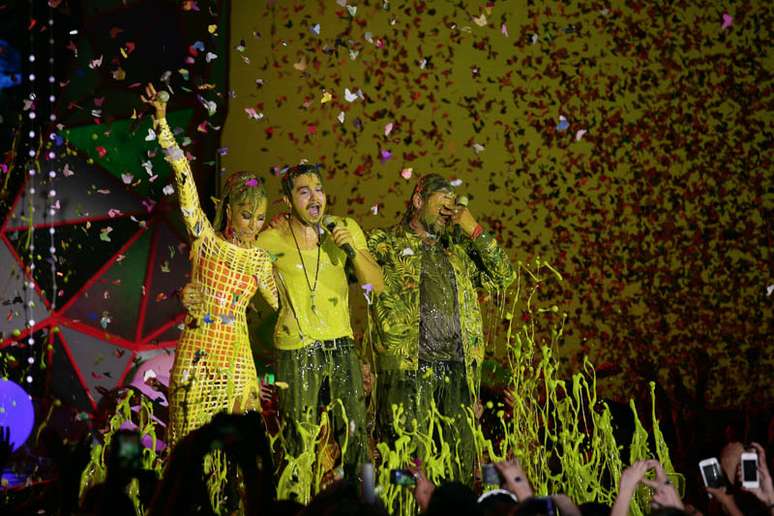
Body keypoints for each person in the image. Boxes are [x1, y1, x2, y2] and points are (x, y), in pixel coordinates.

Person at [141, 84, 278, 448]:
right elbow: (183, 177)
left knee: (242, 446)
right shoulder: (205, 238)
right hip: (199, 349)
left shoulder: (260, 259)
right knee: (188, 442)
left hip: (237, 356)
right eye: (247, 214)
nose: (253, 224)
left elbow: (284, 307)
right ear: (229, 210)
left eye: (260, 217)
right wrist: (162, 121)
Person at [367, 173, 515, 483]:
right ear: (418, 201)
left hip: (458, 370)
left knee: (458, 463)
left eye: (453, 205)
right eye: (442, 204)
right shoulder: (386, 243)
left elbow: (504, 276)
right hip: (409, 369)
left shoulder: (458, 252)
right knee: (406, 464)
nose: (449, 211)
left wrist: (473, 228)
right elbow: (346, 260)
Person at [255, 164, 383, 477]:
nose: (315, 197)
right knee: (298, 442)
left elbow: (377, 285)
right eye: (303, 191)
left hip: (340, 345)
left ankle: (363, 506)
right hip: (296, 350)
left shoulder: (345, 229)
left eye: (319, 190)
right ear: (287, 200)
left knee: (355, 437)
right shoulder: (269, 240)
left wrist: (350, 250)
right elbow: (244, 287)